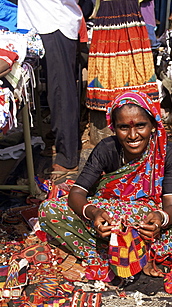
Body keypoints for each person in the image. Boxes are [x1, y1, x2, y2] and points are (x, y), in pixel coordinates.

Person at [39, 91, 172, 282]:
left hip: (149, 220)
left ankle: (130, 252)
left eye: (140, 126)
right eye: (124, 127)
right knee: (47, 210)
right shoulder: (107, 149)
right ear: (114, 128)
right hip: (111, 219)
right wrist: (93, 213)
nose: (133, 135)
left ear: (153, 124)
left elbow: (171, 202)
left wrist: (161, 218)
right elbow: (77, 192)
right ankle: (130, 253)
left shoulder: (166, 152)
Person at [17, 1, 83, 181]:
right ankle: (68, 145)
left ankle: (67, 157)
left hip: (53, 23)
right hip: (46, 22)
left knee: (61, 92)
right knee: (61, 90)